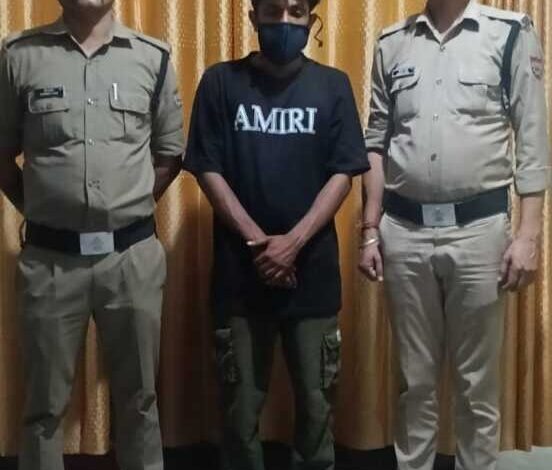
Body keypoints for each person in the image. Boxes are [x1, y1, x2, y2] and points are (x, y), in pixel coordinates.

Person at [361, 0, 550, 469]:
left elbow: (532, 138)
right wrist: (369, 230)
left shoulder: (509, 33)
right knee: (414, 383)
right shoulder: (391, 43)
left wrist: (528, 236)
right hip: (404, 233)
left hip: (479, 234)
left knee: (476, 387)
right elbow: (375, 143)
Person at [183, 0, 369, 468]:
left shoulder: (333, 85)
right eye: (272, 12)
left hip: (313, 276)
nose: (284, 23)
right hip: (240, 278)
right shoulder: (220, 82)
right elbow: (206, 168)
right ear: (253, 18)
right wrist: (261, 245)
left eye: (295, 12)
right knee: (239, 411)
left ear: (311, 20)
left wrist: (294, 242)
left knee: (317, 406)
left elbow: (344, 172)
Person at [0, 1, 185, 469]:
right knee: (43, 406)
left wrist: (128, 208)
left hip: (131, 259)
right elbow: (1, 155)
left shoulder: (153, 57)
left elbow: (169, 154)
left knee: (139, 399)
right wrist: (42, 209)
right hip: (50, 261)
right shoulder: (19, 56)